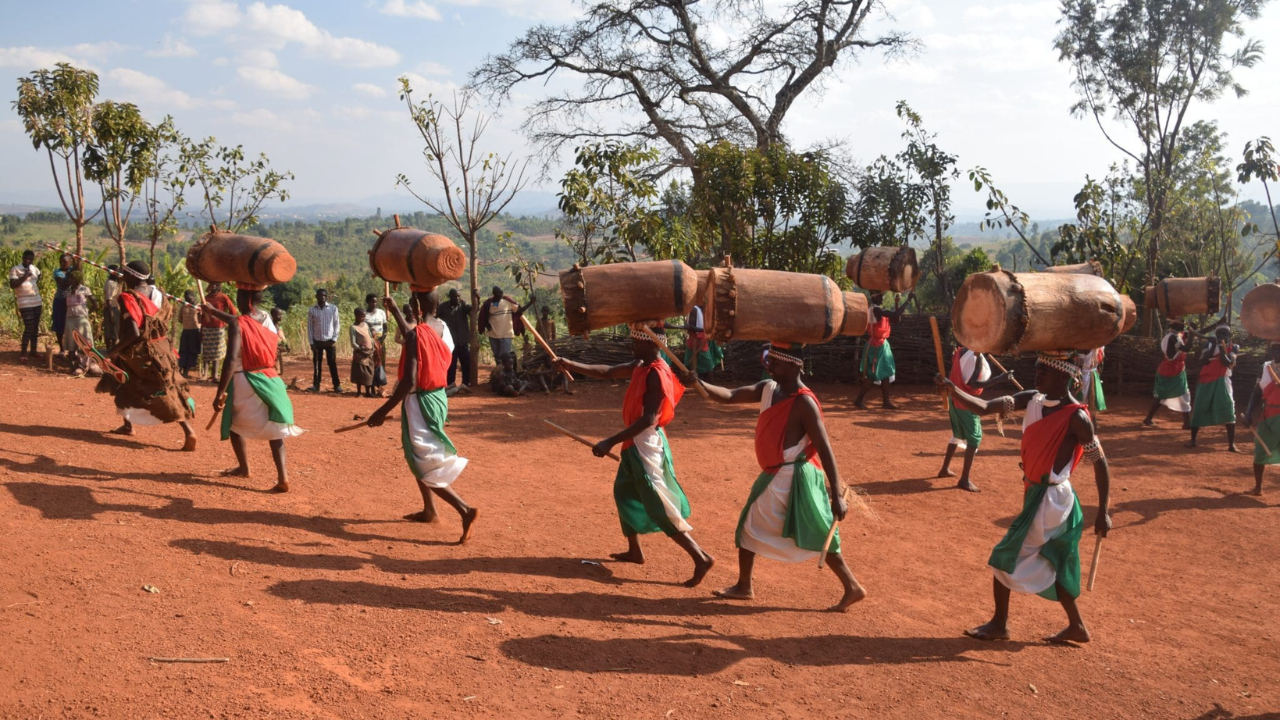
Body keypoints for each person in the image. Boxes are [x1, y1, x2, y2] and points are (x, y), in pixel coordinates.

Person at [940, 352, 1111, 644]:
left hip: (1052, 500)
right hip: (1037, 494)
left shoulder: (1078, 417)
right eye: (1037, 371)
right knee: (1053, 559)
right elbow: (983, 407)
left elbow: (1101, 463)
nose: (1037, 377)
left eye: (1043, 372)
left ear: (1064, 375)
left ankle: (1000, 624)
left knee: (1004, 555)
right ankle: (1076, 626)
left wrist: (1104, 510)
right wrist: (954, 391)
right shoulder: (1032, 398)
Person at [694, 342, 866, 611]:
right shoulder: (768, 388)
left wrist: (836, 494)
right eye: (769, 359)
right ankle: (745, 585)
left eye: (775, 361)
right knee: (766, 525)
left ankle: (745, 586)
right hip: (777, 475)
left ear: (793, 364)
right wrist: (698, 382)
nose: (768, 365)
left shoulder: (804, 403)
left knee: (798, 528)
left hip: (794, 476)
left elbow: (825, 449)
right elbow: (727, 396)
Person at [553, 322, 715, 586]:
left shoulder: (656, 373)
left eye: (636, 342)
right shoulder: (643, 365)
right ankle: (635, 550)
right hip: (635, 443)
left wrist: (610, 441)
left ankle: (700, 557)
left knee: (658, 504)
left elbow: (648, 418)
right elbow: (608, 371)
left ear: (651, 344)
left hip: (644, 444)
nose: (631, 346)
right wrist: (570, 364)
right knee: (624, 492)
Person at [368, 289, 479, 542]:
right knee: (417, 455)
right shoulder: (439, 327)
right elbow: (414, 336)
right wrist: (395, 309)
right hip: (437, 397)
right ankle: (430, 510)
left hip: (419, 401)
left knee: (425, 462)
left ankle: (465, 509)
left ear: (416, 306)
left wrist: (381, 411)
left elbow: (409, 380)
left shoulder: (419, 333)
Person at [205, 286, 304, 493]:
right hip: (271, 379)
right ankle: (282, 476)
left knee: (232, 423)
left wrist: (220, 391)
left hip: (245, 380)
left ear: (244, 298)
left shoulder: (237, 323)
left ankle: (244, 467)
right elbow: (242, 321)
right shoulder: (267, 318)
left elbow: (231, 359)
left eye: (239, 295)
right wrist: (212, 311)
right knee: (276, 429)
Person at [95, 261, 197, 451]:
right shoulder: (160, 295)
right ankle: (130, 425)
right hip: (163, 349)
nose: (122, 277)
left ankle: (186, 431)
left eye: (125, 274)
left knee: (141, 387)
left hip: (139, 352)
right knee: (162, 387)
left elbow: (134, 332)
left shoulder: (128, 297)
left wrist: (114, 351)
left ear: (132, 277)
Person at [938, 346, 1013, 493]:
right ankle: (964, 479)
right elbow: (973, 383)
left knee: (957, 434)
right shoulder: (975, 356)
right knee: (974, 438)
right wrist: (1000, 379)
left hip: (955, 399)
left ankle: (944, 469)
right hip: (966, 403)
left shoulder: (962, 351)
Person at [855, 291, 914, 410]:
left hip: (882, 344)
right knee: (872, 374)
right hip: (876, 346)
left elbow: (896, 319)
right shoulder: (875, 310)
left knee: (886, 372)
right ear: (875, 296)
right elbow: (895, 314)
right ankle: (858, 400)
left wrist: (897, 304)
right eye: (881, 296)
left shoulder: (879, 310)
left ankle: (886, 402)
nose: (883, 298)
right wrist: (908, 301)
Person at [1188, 325, 1238, 451]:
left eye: (1224, 334)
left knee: (1228, 408)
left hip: (1223, 381)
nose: (1221, 337)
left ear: (1229, 336)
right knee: (1199, 407)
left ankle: (1231, 444)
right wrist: (1213, 347)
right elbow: (1203, 361)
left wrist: (1221, 347)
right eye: (1219, 334)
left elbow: (1227, 363)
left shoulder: (1234, 347)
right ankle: (1193, 440)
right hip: (1206, 380)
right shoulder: (1208, 346)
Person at [1240, 343, 1280, 496]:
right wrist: (1249, 413)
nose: (1276, 352)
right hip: (1268, 414)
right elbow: (1257, 392)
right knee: (1260, 450)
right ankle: (1258, 487)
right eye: (1274, 348)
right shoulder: (1265, 367)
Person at [1143, 319, 1193, 428]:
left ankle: (1148, 419)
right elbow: (1187, 348)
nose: (1184, 327)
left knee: (1161, 396)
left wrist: (1214, 326)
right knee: (1184, 393)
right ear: (1179, 327)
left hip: (1167, 369)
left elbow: (1194, 333)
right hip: (1173, 370)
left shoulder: (1172, 336)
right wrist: (1193, 335)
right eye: (1183, 325)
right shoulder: (1173, 338)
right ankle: (1187, 424)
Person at [478, 286, 533, 364]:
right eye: (499, 293)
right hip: (493, 335)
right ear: (494, 294)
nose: (501, 294)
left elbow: (519, 310)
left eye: (501, 292)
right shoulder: (488, 304)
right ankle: (499, 373)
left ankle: (505, 374)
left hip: (506, 334)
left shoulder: (507, 302)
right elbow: (484, 317)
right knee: (497, 357)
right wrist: (486, 324)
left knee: (505, 357)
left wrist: (530, 303)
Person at [667, 306, 723, 379]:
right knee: (690, 363)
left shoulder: (707, 308)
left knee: (707, 364)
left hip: (703, 339)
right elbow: (691, 326)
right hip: (694, 339)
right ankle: (696, 383)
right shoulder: (693, 309)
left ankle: (709, 384)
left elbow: (697, 327)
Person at [9, 250, 43, 363]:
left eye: (30, 259)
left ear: (33, 260)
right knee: (29, 327)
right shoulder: (15, 269)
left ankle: (33, 350)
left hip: (36, 301)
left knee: (35, 326)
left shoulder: (34, 268)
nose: (28, 261)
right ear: (22, 258)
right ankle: (23, 353)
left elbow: (39, 276)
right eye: (26, 259)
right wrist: (24, 276)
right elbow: (13, 285)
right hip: (24, 302)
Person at [62, 270, 98, 376]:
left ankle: (83, 365)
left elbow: (95, 304)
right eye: (69, 278)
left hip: (81, 318)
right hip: (69, 318)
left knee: (84, 342)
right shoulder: (67, 290)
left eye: (71, 278)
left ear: (77, 278)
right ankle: (73, 366)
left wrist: (87, 313)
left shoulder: (85, 289)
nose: (69, 280)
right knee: (71, 343)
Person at [201, 283, 238, 383]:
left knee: (216, 351)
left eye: (214, 284)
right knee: (207, 351)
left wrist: (224, 319)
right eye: (211, 284)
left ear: (218, 286)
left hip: (218, 328)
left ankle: (215, 375)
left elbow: (233, 312)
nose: (212, 286)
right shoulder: (205, 298)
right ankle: (205, 374)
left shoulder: (223, 297)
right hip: (206, 327)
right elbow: (202, 315)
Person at [307, 288, 342, 393]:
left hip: (329, 341)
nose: (322, 297)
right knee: (317, 365)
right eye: (320, 295)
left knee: (332, 364)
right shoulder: (312, 310)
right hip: (317, 342)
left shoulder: (333, 308)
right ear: (316, 296)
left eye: (324, 296)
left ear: (326, 297)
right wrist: (311, 343)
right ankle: (316, 385)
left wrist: (334, 338)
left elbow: (337, 324)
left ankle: (337, 385)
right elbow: (310, 327)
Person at [437, 288, 472, 388]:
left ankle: (466, 383)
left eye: (458, 296)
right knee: (451, 365)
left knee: (466, 363)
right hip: (450, 342)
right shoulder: (443, 307)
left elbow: (473, 310)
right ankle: (450, 384)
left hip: (462, 341)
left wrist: (477, 299)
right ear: (450, 297)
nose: (457, 298)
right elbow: (434, 316)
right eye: (455, 296)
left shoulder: (463, 305)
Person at [364, 293, 389, 396]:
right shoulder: (364, 314)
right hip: (369, 340)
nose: (374, 304)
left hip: (380, 340)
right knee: (371, 364)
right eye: (371, 302)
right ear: (368, 302)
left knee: (380, 363)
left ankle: (380, 386)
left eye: (375, 302)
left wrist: (382, 338)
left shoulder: (381, 313)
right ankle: (372, 386)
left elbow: (385, 327)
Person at [350, 307, 378, 397]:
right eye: (361, 316)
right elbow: (353, 343)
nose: (363, 318)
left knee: (369, 373)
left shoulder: (365, 325)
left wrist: (373, 346)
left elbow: (370, 336)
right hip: (360, 353)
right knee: (360, 373)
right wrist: (361, 350)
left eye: (364, 316)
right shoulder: (353, 328)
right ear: (356, 316)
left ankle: (368, 392)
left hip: (369, 352)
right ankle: (358, 392)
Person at [1076, 347, 1106, 424]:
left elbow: (1079, 364)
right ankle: (1091, 424)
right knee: (1090, 404)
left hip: (1084, 376)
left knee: (1080, 403)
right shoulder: (1100, 347)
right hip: (1093, 375)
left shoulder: (1085, 347)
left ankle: (1083, 423)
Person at [177, 290, 202, 378]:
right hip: (186, 331)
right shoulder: (184, 306)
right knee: (183, 350)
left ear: (193, 297)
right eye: (186, 298)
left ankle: (186, 372)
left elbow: (202, 319)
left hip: (195, 331)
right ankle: (180, 369)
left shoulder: (199, 307)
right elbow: (180, 319)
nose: (187, 299)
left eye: (189, 298)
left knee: (193, 351)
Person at [52, 253, 73, 356]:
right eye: (61, 261)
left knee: (72, 325)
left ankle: (72, 350)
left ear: (70, 262)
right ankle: (61, 349)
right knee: (59, 324)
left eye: (65, 261)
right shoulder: (57, 272)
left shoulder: (74, 270)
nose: (62, 263)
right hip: (60, 301)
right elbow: (63, 285)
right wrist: (71, 274)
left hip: (73, 302)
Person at [102, 264, 122, 349]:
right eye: (117, 270)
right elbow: (108, 299)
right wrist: (111, 314)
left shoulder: (116, 282)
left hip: (115, 308)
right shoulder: (110, 283)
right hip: (111, 308)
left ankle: (113, 348)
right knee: (110, 330)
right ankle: (110, 349)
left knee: (115, 330)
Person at [270, 307, 288, 376]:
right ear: (273, 315)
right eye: (279, 315)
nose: (281, 316)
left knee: (279, 369)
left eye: (281, 314)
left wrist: (286, 345)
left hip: (278, 349)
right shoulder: (271, 326)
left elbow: (282, 337)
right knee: (275, 367)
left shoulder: (278, 326)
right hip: (273, 349)